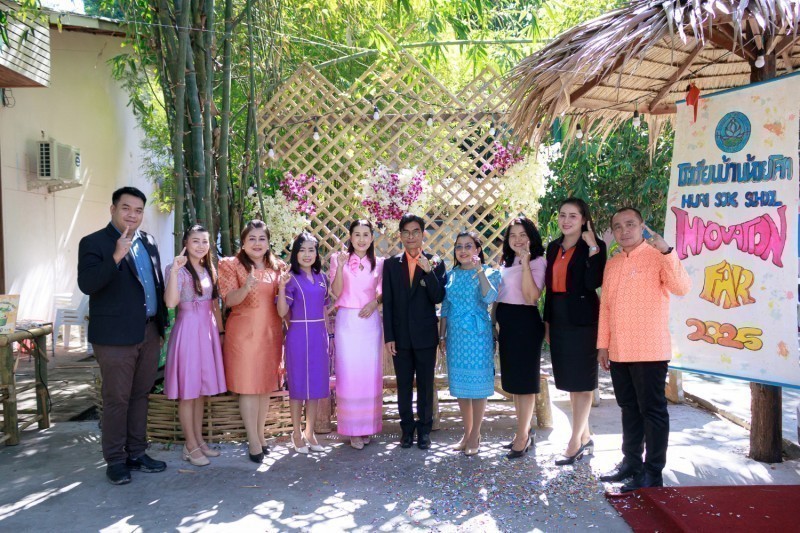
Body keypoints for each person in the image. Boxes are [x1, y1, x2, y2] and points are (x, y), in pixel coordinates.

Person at [77, 186, 169, 485]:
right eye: (126, 208)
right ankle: (115, 460)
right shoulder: (94, 242)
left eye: (138, 210)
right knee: (116, 398)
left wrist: (161, 326)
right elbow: (88, 284)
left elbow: (156, 284)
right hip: (114, 337)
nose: (132, 215)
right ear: (113, 209)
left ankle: (136, 452)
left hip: (148, 331)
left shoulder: (149, 241)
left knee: (140, 395)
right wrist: (116, 256)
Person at [597, 207, 690, 491]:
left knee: (653, 411)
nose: (624, 231)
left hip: (650, 349)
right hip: (619, 349)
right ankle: (631, 463)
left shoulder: (658, 255)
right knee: (628, 408)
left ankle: (653, 473)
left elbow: (682, 287)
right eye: (618, 226)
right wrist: (603, 345)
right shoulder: (612, 263)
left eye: (630, 224)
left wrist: (667, 251)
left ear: (642, 226)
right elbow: (606, 307)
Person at [543, 198, 606, 466]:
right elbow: (549, 288)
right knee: (571, 381)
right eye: (562, 215)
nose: (566, 220)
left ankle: (575, 442)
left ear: (584, 220)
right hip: (558, 319)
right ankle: (586, 434)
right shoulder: (553, 247)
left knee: (583, 382)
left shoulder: (595, 245)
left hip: (583, 322)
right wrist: (547, 322)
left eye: (573, 216)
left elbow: (593, 282)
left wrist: (592, 247)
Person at [218, 220, 284, 463]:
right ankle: (253, 440)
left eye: (262, 238)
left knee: (265, 386)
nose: (257, 243)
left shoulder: (278, 266)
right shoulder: (231, 265)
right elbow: (229, 300)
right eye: (252, 239)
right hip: (244, 335)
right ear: (243, 243)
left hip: (270, 332)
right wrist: (246, 287)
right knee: (248, 386)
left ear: (268, 242)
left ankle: (261, 435)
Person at [163, 225, 227, 467]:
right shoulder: (176, 269)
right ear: (186, 243)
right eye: (195, 241)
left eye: (205, 241)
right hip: (188, 331)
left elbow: (213, 304)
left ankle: (199, 441)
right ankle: (190, 446)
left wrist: (220, 333)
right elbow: (171, 302)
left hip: (207, 331)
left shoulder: (208, 268)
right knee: (188, 393)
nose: (201, 246)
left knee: (200, 391)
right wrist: (173, 272)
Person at [382, 213, 447, 450]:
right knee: (404, 385)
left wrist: (428, 273)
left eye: (415, 232)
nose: (411, 237)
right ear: (400, 235)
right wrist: (389, 336)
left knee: (426, 385)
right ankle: (407, 430)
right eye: (406, 232)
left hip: (425, 335)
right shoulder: (391, 264)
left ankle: (425, 430)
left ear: (423, 234)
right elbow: (388, 303)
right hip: (400, 337)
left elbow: (438, 296)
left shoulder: (435, 262)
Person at [439, 231, 501, 456]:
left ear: (478, 250)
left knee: (478, 386)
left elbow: (489, 298)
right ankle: (467, 433)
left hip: (478, 335)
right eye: (459, 246)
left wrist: (479, 271)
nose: (463, 250)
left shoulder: (489, 272)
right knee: (461, 387)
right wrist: (442, 336)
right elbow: (445, 308)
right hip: (456, 336)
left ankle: (475, 434)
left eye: (468, 246)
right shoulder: (451, 275)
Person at [494, 216, 546, 459]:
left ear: (531, 237)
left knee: (525, 384)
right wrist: (493, 322)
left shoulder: (537, 261)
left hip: (525, 323)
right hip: (507, 324)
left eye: (522, 234)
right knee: (515, 384)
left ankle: (523, 436)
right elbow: (499, 294)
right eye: (513, 235)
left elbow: (531, 296)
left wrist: (525, 264)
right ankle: (523, 430)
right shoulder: (506, 261)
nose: (517, 239)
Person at [329, 220, 384, 450]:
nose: (361, 239)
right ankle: (352, 429)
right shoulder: (338, 258)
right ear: (350, 237)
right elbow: (335, 292)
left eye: (366, 235)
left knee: (370, 374)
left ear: (372, 238)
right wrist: (341, 267)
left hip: (370, 322)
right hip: (347, 322)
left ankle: (367, 426)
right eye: (357, 234)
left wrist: (374, 303)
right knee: (349, 374)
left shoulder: (380, 263)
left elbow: (383, 292)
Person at [277, 232, 331, 454]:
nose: (307, 254)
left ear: (317, 253)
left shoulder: (322, 277)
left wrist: (329, 336)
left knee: (316, 385)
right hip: (298, 335)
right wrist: (281, 287)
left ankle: (310, 432)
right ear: (295, 253)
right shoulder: (290, 278)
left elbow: (325, 309)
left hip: (319, 335)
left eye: (311, 250)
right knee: (298, 386)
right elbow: (282, 311)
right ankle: (296, 433)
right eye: (302, 250)